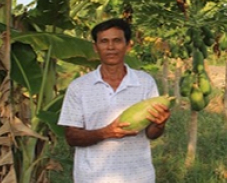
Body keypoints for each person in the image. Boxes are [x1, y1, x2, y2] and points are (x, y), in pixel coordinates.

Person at [57, 18, 171, 183]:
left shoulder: (145, 82)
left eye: (117, 41)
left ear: (128, 45)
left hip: (138, 177)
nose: (110, 47)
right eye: (104, 41)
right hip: (92, 178)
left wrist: (160, 124)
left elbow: (152, 134)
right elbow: (72, 137)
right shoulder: (79, 86)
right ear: (95, 47)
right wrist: (106, 132)